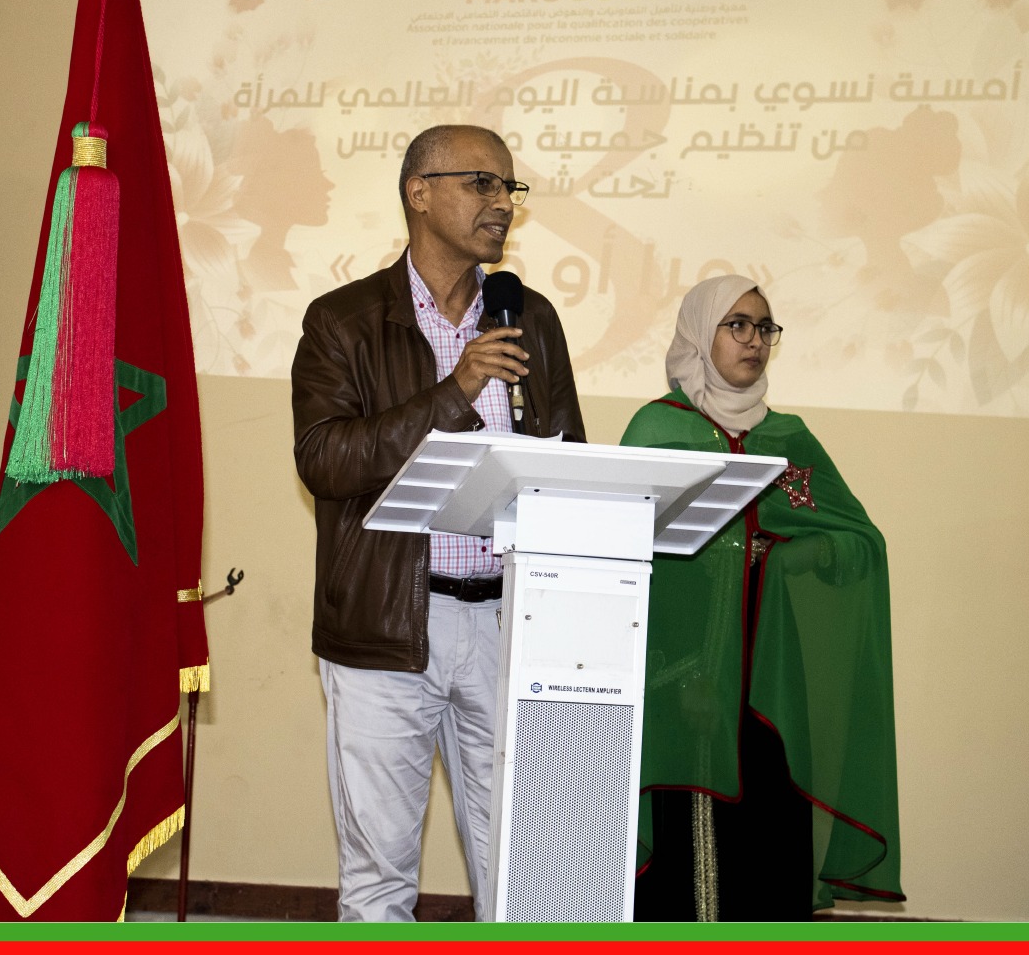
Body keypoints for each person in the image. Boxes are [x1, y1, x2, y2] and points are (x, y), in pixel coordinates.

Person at [290, 125, 586, 922]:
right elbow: (324, 460)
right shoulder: (343, 320)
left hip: (510, 625)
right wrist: (454, 391)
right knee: (378, 881)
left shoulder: (530, 317)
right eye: (481, 182)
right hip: (387, 627)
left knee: (521, 874)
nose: (502, 203)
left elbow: (565, 461)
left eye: (509, 187)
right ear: (418, 193)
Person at [621, 275, 903, 921]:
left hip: (771, 687)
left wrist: (799, 554)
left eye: (764, 327)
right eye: (737, 325)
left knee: (771, 839)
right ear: (701, 333)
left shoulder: (788, 439)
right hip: (685, 679)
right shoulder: (659, 429)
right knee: (692, 854)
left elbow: (860, 540)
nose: (754, 341)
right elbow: (628, 544)